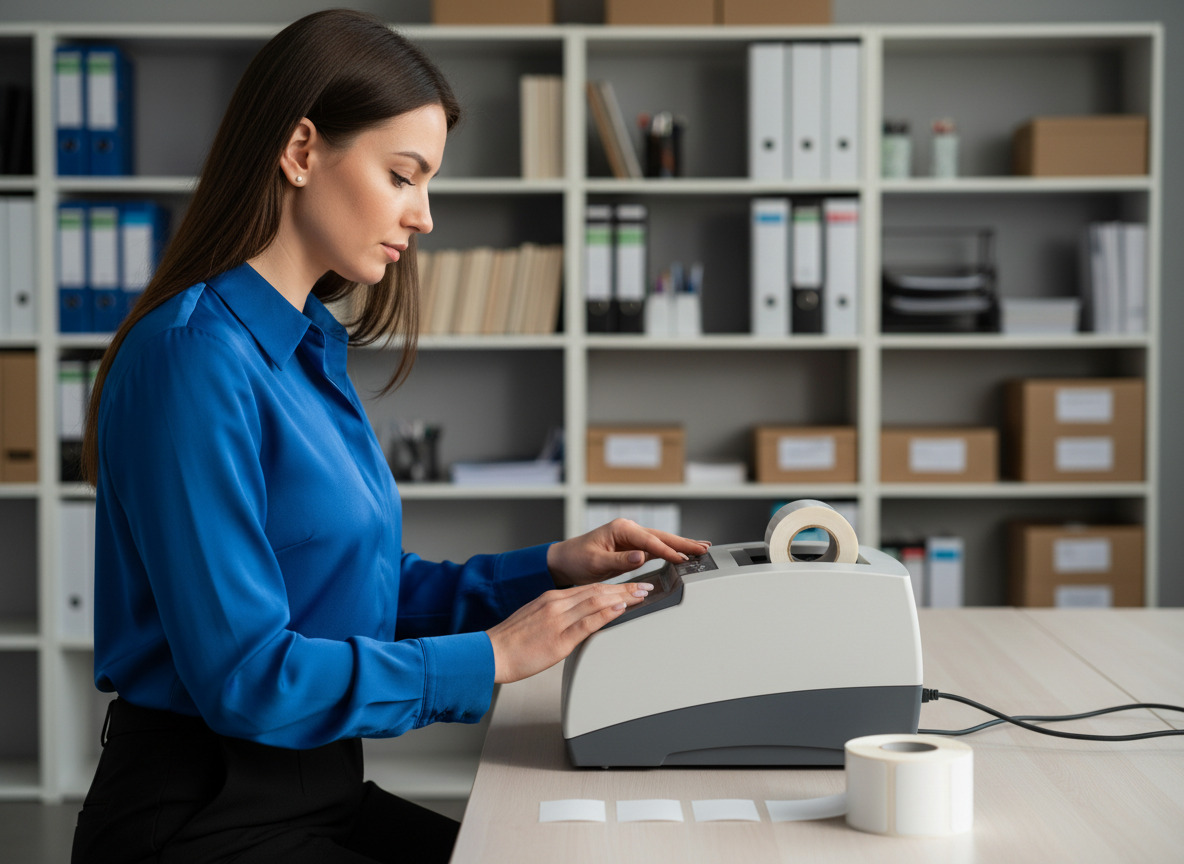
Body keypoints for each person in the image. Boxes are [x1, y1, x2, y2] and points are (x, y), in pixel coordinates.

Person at [70, 10, 709, 864]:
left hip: (317, 788)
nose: (425, 215)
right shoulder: (193, 356)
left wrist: (548, 570)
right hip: (203, 815)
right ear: (301, 151)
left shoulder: (302, 346)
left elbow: (349, 587)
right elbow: (247, 678)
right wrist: (488, 659)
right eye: (404, 176)